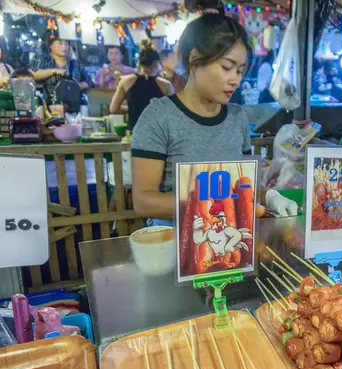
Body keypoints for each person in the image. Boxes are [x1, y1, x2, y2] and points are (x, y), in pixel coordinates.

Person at [131, 14, 297, 227]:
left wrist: (270, 197)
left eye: (239, 70)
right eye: (227, 67)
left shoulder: (237, 117)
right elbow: (144, 202)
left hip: (229, 239)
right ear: (194, 58)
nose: (235, 80)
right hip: (175, 240)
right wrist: (218, 204)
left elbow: (245, 187)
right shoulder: (159, 116)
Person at [110, 40, 174, 132]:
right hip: (157, 135)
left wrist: (131, 108)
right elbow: (171, 113)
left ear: (138, 62)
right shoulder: (166, 85)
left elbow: (114, 109)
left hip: (134, 134)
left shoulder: (125, 81)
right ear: (156, 63)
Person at [29, 37, 91, 104]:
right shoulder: (43, 61)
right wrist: (54, 71)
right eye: (60, 43)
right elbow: (31, 74)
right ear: (51, 46)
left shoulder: (76, 64)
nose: (64, 47)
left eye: (66, 44)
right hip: (49, 104)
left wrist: (79, 86)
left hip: (74, 106)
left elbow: (88, 80)